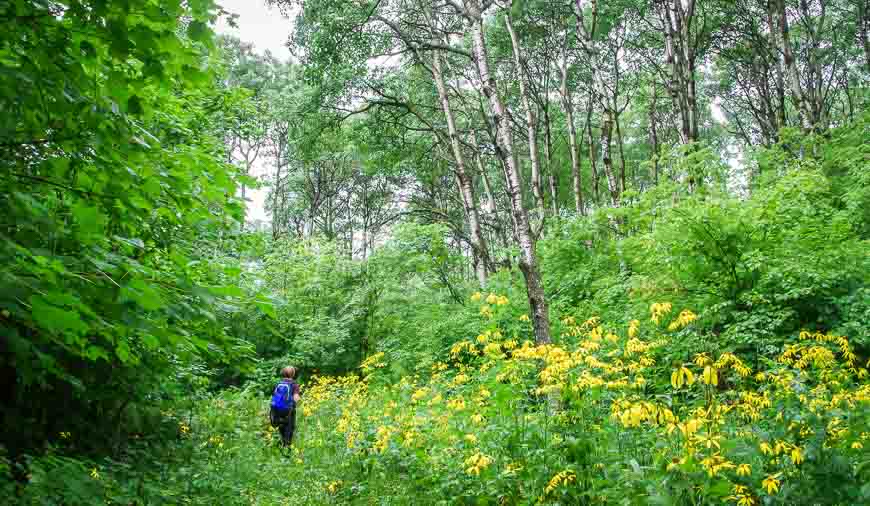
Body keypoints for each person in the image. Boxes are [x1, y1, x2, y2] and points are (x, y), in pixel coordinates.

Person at [269, 366, 301, 447]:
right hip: (289, 411)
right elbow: (296, 398)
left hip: (277, 410)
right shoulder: (294, 384)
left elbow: (274, 396)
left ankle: (282, 443)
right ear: (293, 374)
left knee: (281, 427)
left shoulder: (279, 383)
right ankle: (287, 447)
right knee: (289, 428)